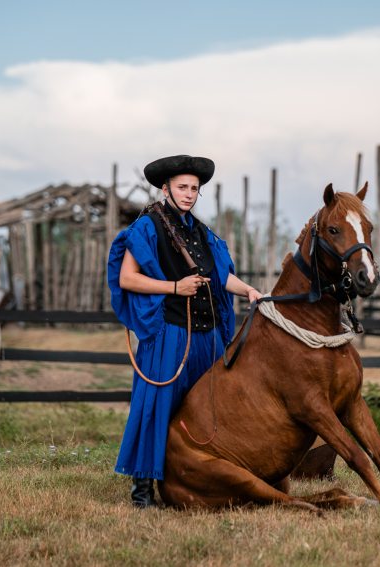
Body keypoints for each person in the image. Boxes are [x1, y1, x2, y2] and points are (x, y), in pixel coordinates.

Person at [107, 154, 263, 508]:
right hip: (169, 334)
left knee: (207, 407)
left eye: (194, 188)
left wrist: (249, 290)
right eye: (182, 187)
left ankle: (200, 477)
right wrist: (174, 288)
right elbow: (127, 278)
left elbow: (219, 276)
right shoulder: (148, 226)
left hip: (206, 337)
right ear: (166, 189)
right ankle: (143, 491)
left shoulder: (201, 232)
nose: (189, 194)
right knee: (157, 406)